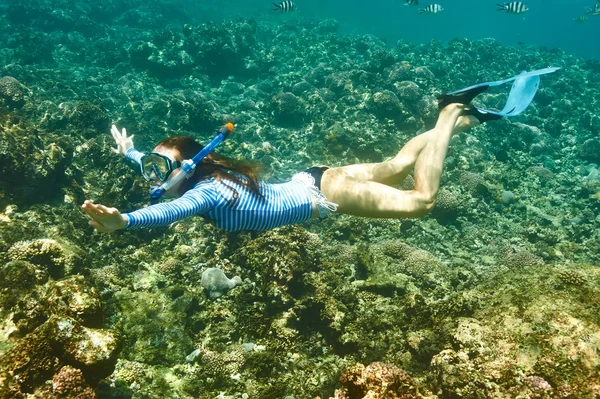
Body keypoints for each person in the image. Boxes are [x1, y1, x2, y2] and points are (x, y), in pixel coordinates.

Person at [82, 67, 558, 233]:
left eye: (164, 165)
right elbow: (160, 177)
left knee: (422, 202)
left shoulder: (203, 193)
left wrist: (123, 220)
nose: (155, 175)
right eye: (156, 166)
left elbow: (165, 212)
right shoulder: (203, 174)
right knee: (398, 162)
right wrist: (133, 153)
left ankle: (451, 112)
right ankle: (459, 118)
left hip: (326, 193)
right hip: (318, 175)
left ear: (189, 164)